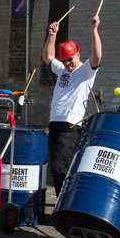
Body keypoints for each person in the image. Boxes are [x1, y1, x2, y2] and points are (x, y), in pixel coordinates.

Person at [42, 15, 102, 196]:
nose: (68, 63)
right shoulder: (62, 70)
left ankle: (63, 201)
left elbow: (97, 56)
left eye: (70, 59)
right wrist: (52, 34)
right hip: (55, 123)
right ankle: (67, 198)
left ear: (78, 54)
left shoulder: (85, 71)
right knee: (60, 165)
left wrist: (94, 30)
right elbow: (48, 57)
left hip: (71, 125)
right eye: (65, 60)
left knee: (59, 165)